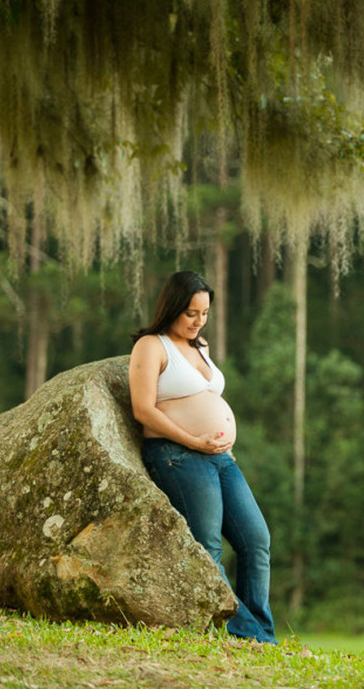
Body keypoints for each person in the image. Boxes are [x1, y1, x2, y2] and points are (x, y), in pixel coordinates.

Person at [128, 270, 276, 644]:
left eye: (205, 313)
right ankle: (246, 633)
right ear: (173, 307)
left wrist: (216, 441)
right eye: (191, 313)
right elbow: (143, 410)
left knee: (256, 539)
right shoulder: (152, 346)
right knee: (208, 545)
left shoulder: (201, 346)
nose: (199, 321)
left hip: (220, 458)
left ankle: (259, 630)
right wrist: (193, 440)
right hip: (178, 455)